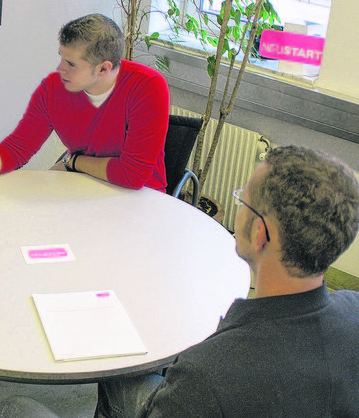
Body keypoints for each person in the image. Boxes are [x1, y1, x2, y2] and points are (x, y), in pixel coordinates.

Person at [98, 145, 359, 417]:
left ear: (260, 234)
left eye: (242, 201)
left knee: (121, 369)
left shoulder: (204, 376)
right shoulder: (355, 310)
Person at [0, 13, 169, 191]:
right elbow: (15, 150)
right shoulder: (53, 88)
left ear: (103, 68)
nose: (60, 68)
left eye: (71, 63)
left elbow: (132, 176)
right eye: (61, 57)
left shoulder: (148, 87)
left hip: (140, 199)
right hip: (79, 188)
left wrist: (75, 162)